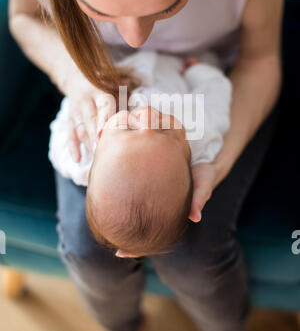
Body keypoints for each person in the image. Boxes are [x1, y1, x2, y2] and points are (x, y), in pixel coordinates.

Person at [1, 0, 299, 331]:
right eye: (98, 9)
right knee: (87, 250)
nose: (135, 38)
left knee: (194, 255)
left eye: (171, 2)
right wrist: (79, 84)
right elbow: (25, 19)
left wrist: (213, 159)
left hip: (220, 74)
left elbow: (253, 67)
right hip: (96, 85)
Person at [48, 50, 232, 258]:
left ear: (98, 150)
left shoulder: (81, 159)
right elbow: (217, 95)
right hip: (178, 61)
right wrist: (199, 71)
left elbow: (61, 140)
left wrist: (77, 110)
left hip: (115, 59)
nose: (146, 116)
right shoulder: (201, 136)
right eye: (164, 130)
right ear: (189, 159)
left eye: (127, 128)